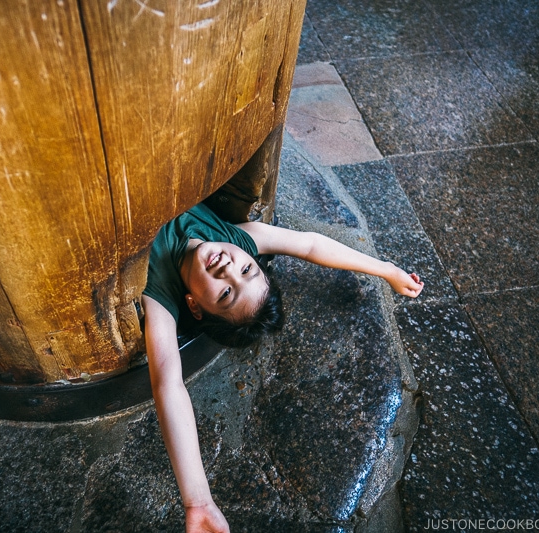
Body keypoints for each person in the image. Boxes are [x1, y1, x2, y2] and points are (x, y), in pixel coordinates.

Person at [141, 203, 423, 532]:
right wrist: (386, 270)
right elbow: (309, 244)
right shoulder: (235, 240)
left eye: (227, 293)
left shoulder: (161, 293)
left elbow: (168, 384)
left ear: (194, 306)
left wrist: (198, 500)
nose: (229, 269)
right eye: (247, 270)